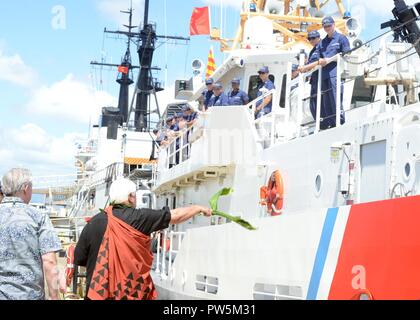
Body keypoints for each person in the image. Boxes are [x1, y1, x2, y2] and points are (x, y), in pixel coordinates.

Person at [74, 177, 212, 300]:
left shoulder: (92, 223)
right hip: (131, 293)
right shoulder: (140, 217)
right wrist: (198, 208)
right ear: (130, 197)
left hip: (99, 292)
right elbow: (175, 215)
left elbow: (80, 258)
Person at [0, 168, 63, 300]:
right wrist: (54, 296)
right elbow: (49, 261)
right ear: (25, 188)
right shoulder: (38, 217)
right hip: (30, 295)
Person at [300, 17, 350, 129]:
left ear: (334, 25)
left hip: (335, 73)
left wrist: (330, 59)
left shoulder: (341, 38)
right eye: (325, 26)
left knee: (335, 98)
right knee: (326, 101)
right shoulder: (323, 43)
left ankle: (339, 123)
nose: (327, 28)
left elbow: (347, 55)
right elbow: (317, 59)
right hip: (323, 75)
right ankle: (331, 125)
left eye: (329, 25)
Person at [298, 30, 322, 121]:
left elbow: (321, 61)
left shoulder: (322, 47)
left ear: (319, 37)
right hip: (314, 80)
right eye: (309, 39)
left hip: (321, 79)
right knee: (313, 105)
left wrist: (305, 67)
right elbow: (310, 64)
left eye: (313, 38)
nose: (311, 40)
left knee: (319, 103)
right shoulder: (313, 50)